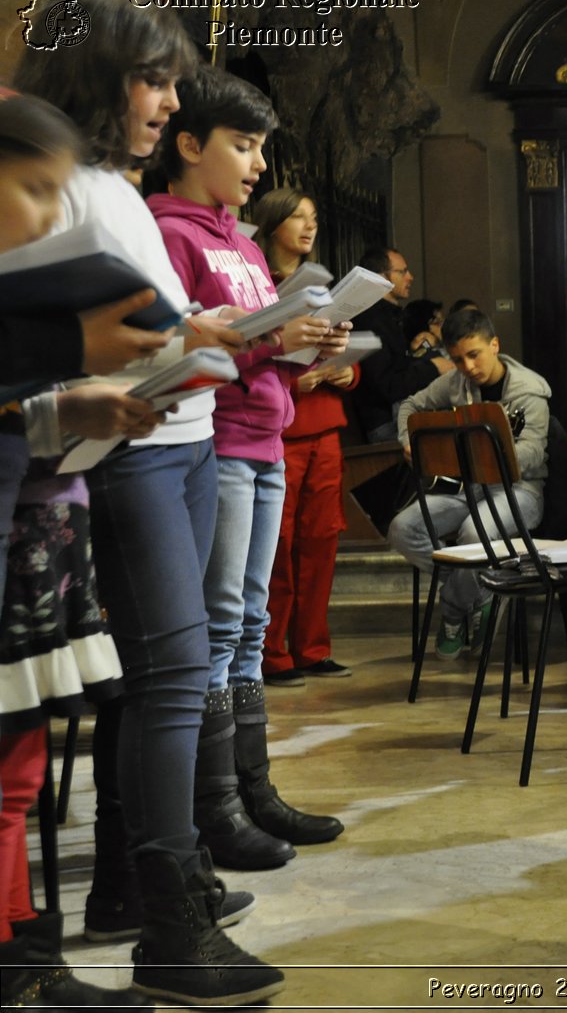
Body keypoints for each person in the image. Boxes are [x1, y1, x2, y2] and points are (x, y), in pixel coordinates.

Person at [15, 0, 285, 1003]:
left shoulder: (113, 187)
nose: (167, 101)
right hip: (127, 453)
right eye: (152, 80)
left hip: (186, 436)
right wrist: (187, 341)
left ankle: (142, 883)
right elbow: (58, 345)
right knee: (173, 672)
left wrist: (198, 344)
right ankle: (169, 926)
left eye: (171, 82)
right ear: (97, 78)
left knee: (166, 674)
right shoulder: (60, 189)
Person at [149, 65, 348, 873]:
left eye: (262, 146)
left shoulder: (237, 238)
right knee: (222, 619)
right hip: (219, 440)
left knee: (252, 619)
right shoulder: (172, 230)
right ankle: (218, 807)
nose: (259, 163)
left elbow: (258, 339)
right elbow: (186, 346)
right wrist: (271, 340)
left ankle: (254, 786)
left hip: (269, 436)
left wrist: (312, 343)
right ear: (189, 144)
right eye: (244, 145)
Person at [0, 89, 163, 1013]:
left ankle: (25, 961)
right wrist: (64, 350)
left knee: (19, 770)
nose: (47, 211)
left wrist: (61, 408)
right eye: (32, 187)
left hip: (33, 525)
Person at [387, 309, 551, 659]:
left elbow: (533, 454)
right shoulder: (457, 382)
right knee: (403, 528)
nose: (468, 367)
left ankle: (452, 609)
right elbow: (411, 406)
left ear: (494, 345)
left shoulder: (528, 390)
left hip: (520, 490)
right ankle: (481, 589)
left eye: (474, 355)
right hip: (467, 488)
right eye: (458, 359)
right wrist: (408, 442)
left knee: (473, 534)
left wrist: (480, 457)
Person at [255, 190, 359, 686]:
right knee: (278, 545)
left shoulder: (322, 287)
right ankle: (272, 654)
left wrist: (344, 374)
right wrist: (300, 380)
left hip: (326, 427)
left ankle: (312, 648)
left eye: (314, 217)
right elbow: (256, 360)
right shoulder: (257, 284)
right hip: (284, 428)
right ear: (273, 223)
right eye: (298, 216)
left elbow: (338, 352)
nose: (309, 225)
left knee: (321, 541)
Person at [348, 245, 447, 440]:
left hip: (397, 413)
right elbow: (387, 385)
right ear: (381, 277)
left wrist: (424, 353)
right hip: (385, 422)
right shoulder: (370, 320)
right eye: (402, 272)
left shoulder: (389, 316)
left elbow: (399, 365)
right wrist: (432, 367)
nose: (410, 277)